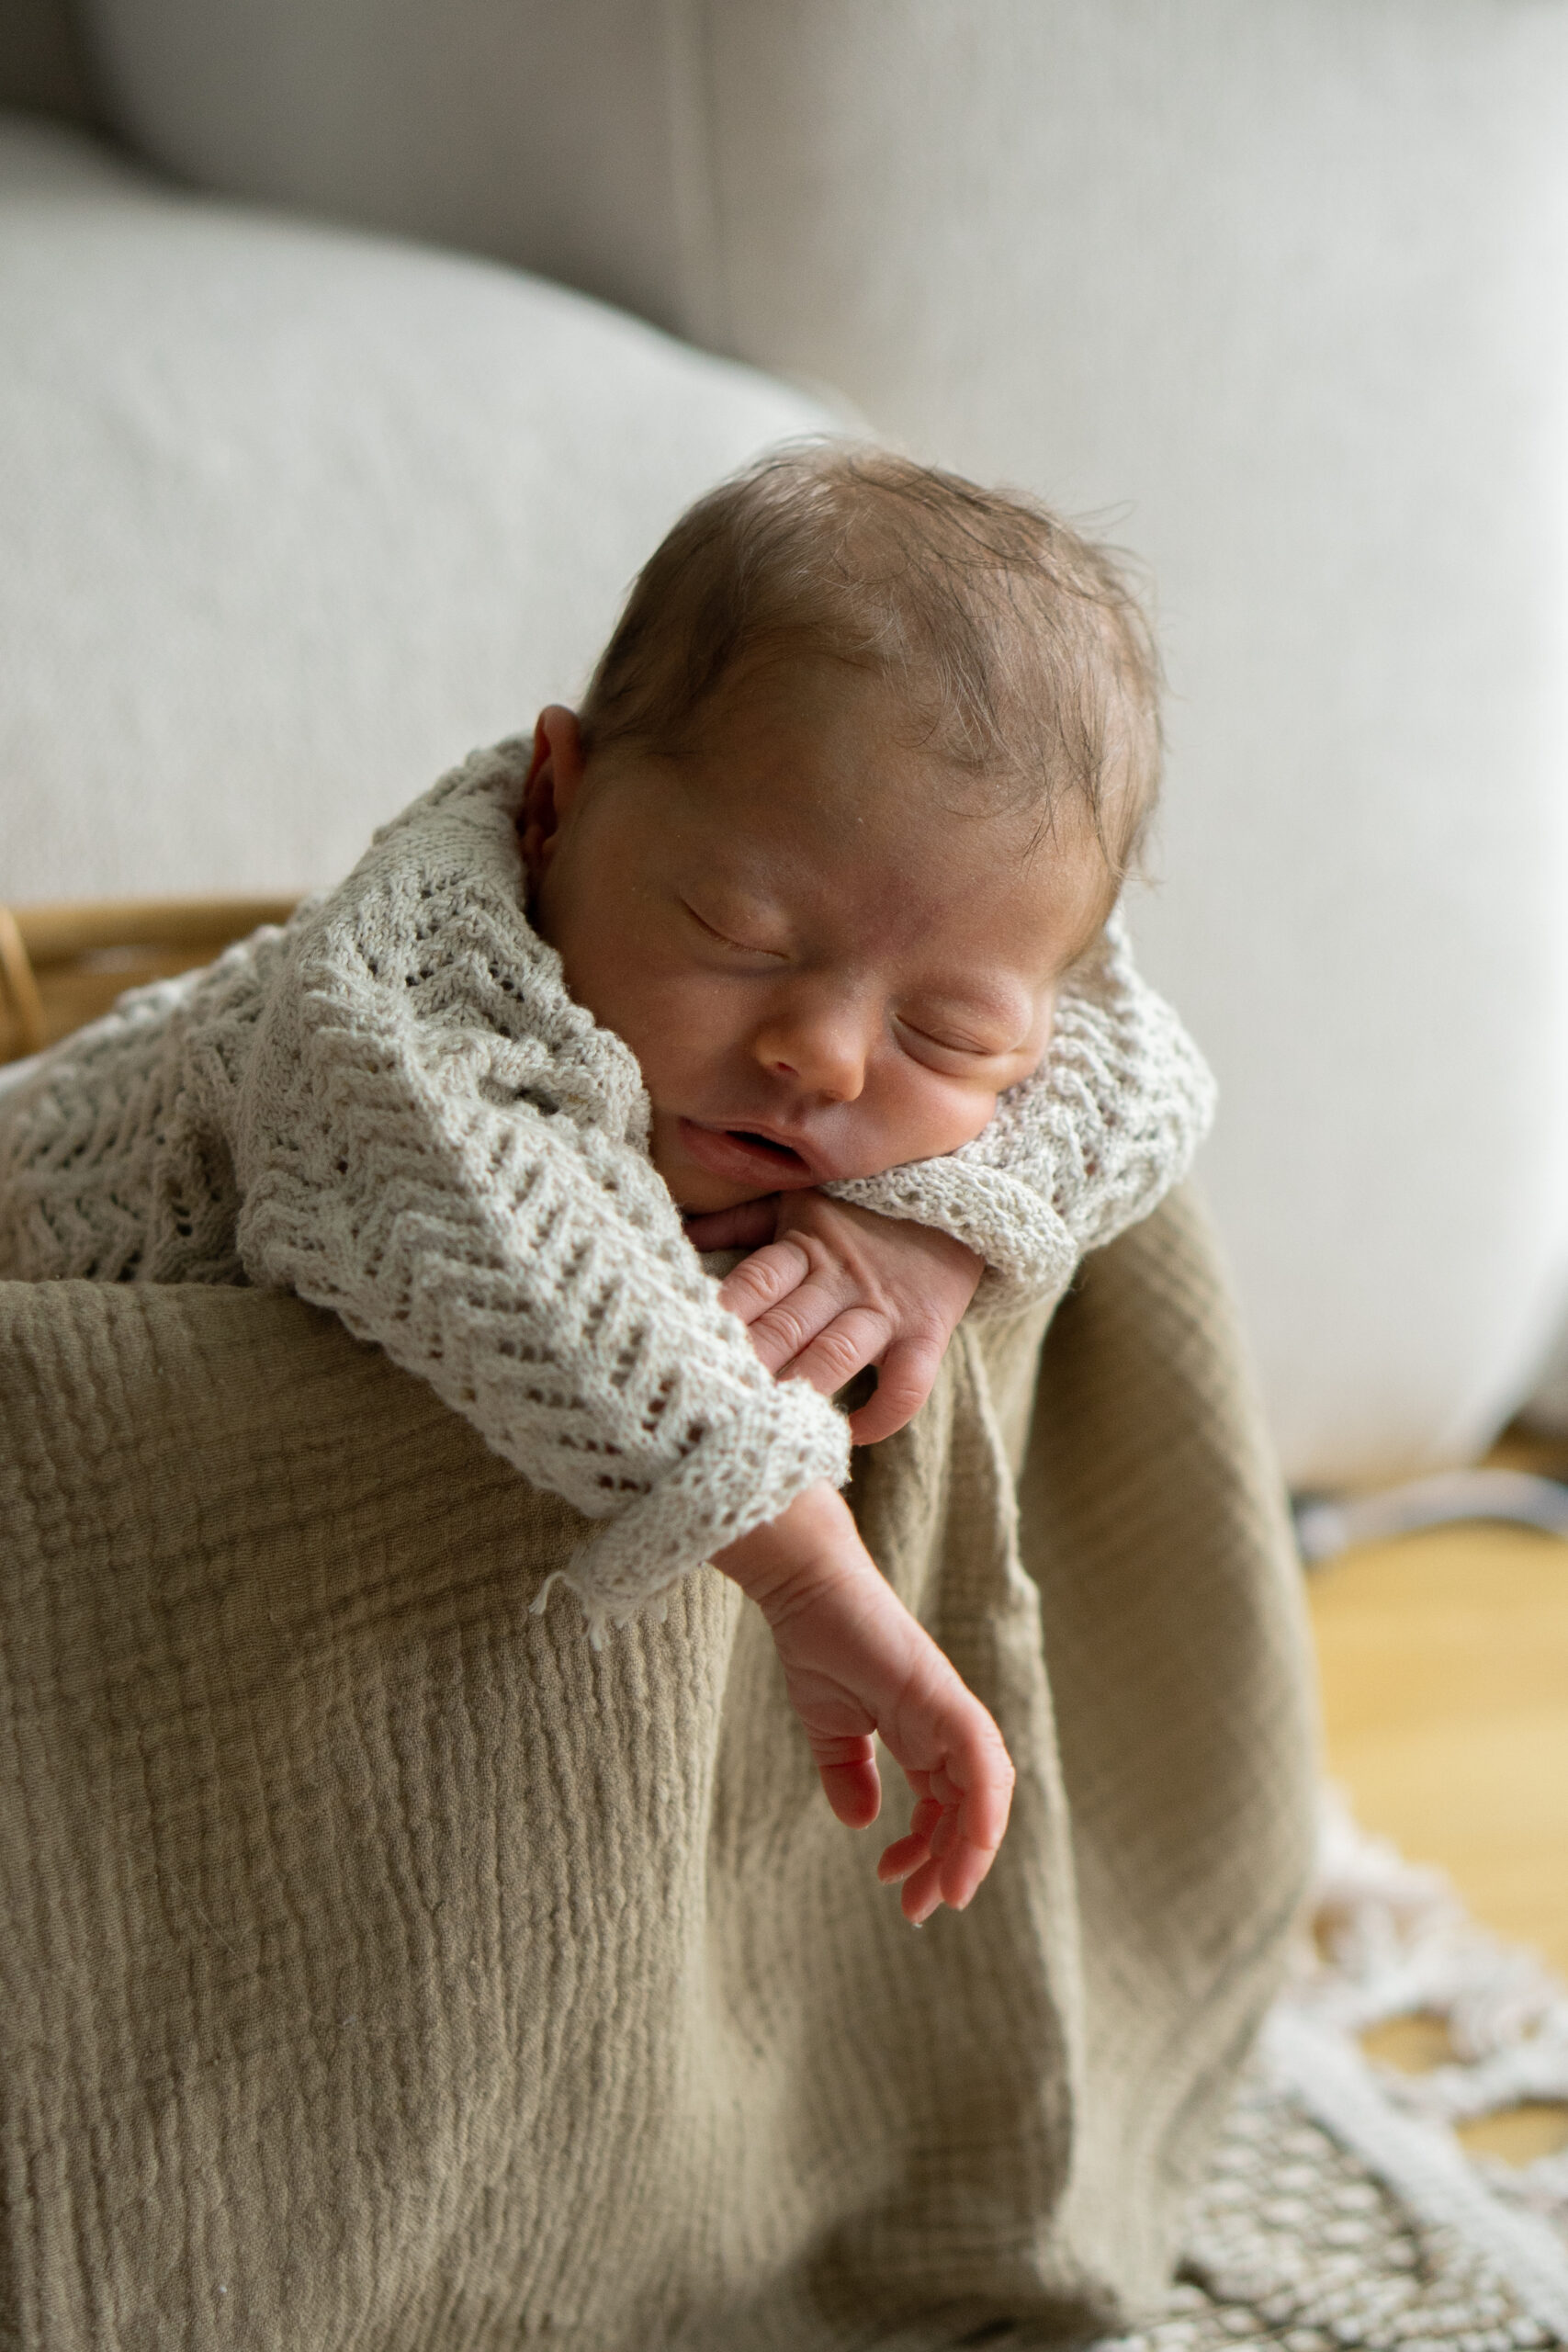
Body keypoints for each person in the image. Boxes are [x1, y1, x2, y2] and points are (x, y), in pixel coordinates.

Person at [0, 445, 1213, 1931]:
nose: (823, 1057)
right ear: (557, 803)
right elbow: (527, 1242)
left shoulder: (1002, 1009)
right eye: (740, 931)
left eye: (947, 1031)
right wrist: (802, 1556)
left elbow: (1149, 1074)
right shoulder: (399, 1003)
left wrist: (932, 1223)